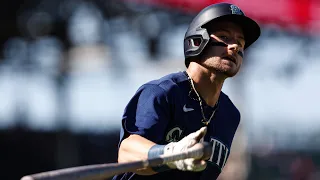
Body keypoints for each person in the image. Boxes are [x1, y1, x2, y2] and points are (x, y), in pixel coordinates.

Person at [112, 2, 261, 180]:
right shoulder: (162, 93)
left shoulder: (230, 115)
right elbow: (127, 153)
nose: (235, 47)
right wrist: (172, 154)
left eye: (240, 42)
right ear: (196, 41)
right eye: (224, 37)